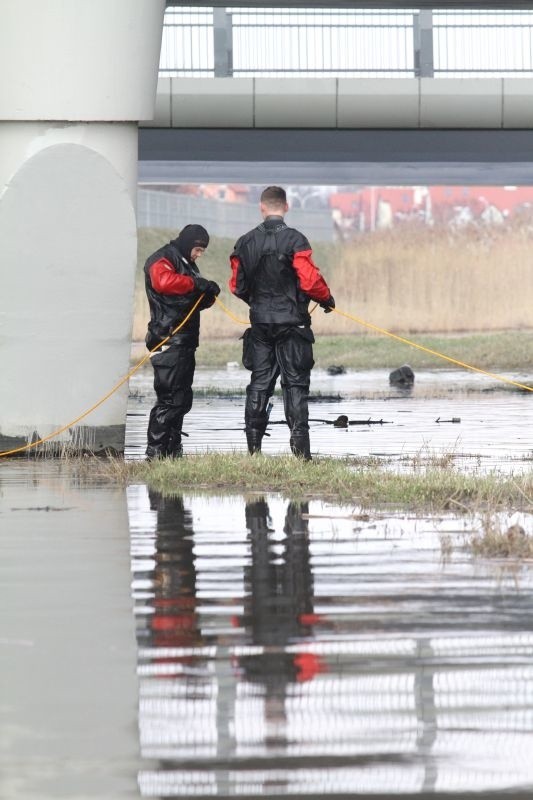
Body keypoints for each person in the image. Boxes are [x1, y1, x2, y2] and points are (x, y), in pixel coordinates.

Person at [229, 186, 335, 460]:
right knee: (296, 385)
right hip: (292, 325)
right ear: (286, 207)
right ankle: (301, 456)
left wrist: (258, 303)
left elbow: (236, 286)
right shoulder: (296, 240)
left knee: (259, 383)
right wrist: (326, 299)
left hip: (261, 325)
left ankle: (253, 452)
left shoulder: (244, 242)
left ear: (262, 208)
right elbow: (310, 281)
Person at [144, 224, 220, 460]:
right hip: (169, 338)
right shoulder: (163, 259)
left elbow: (188, 299)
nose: (199, 255)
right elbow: (164, 282)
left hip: (185, 340)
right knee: (168, 400)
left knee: (181, 400)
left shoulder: (187, 264)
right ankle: (155, 454)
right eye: (198, 249)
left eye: (202, 252)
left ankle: (173, 452)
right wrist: (197, 284)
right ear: (189, 244)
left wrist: (207, 295)